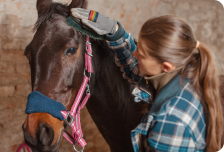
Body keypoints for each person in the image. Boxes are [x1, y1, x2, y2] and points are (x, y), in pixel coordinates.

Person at [71, 8, 223, 151]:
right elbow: (137, 71)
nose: (135, 55)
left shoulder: (170, 122)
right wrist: (115, 32)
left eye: (142, 54)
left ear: (166, 67)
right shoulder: (187, 76)